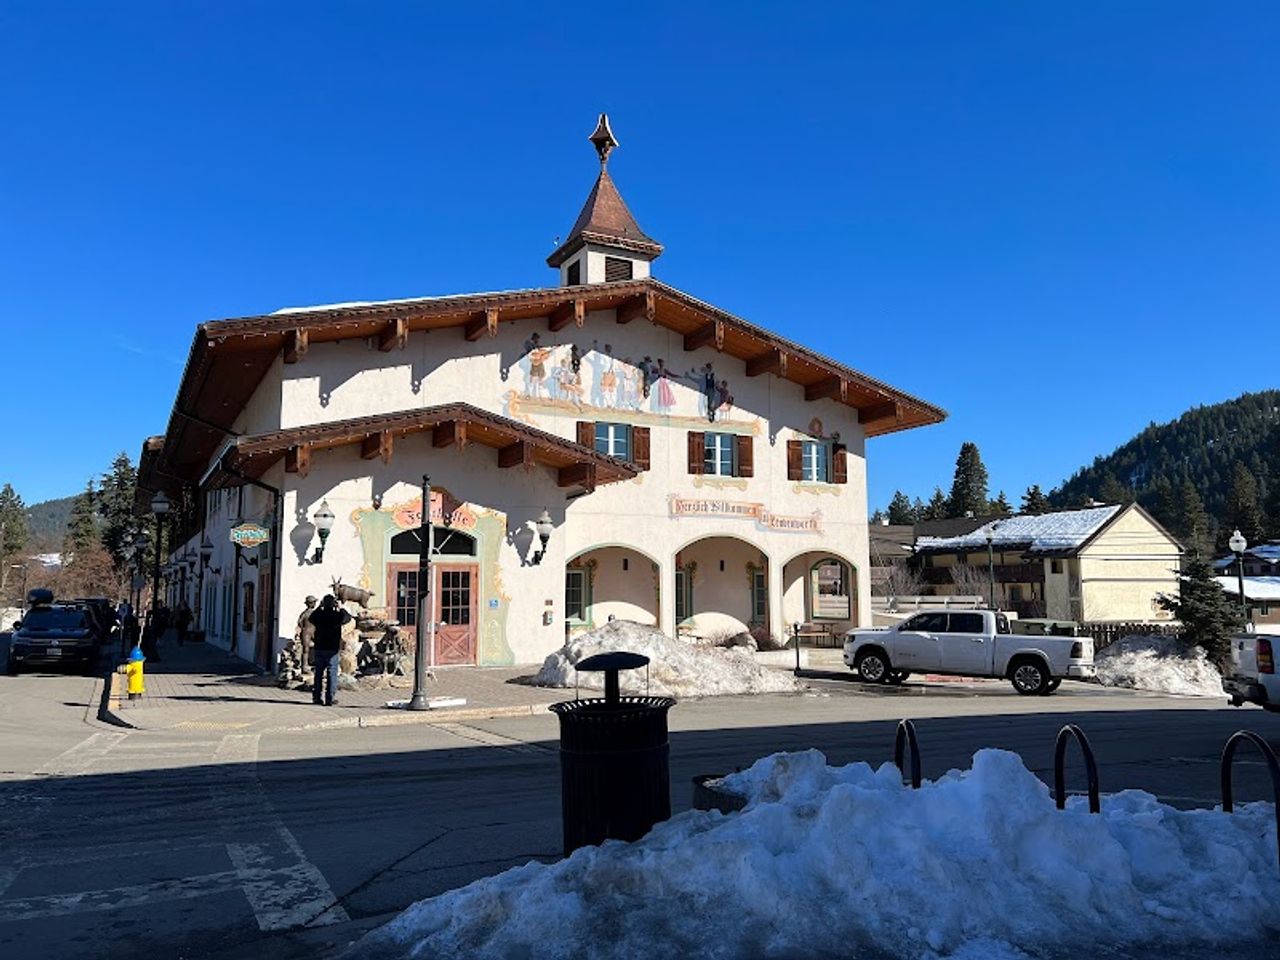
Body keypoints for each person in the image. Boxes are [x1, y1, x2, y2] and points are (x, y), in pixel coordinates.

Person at [307, 594, 351, 706]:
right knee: (332, 674)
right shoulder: (336, 615)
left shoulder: (319, 615)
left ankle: (317, 697)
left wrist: (320, 607)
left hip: (320, 647)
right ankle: (330, 698)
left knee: (318, 674)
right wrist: (340, 607)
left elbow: (311, 618)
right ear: (333, 604)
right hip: (332, 649)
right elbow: (347, 617)